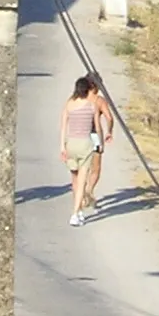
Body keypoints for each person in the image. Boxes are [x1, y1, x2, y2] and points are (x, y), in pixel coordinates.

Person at [59, 73, 114, 224]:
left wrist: (62, 145)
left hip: (73, 140)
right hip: (93, 138)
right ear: (94, 86)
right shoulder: (97, 101)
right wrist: (109, 132)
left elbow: (64, 123)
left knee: (75, 178)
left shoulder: (72, 101)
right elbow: (109, 118)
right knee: (95, 169)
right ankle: (88, 191)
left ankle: (79, 206)